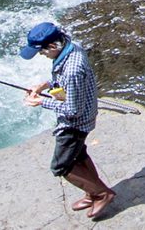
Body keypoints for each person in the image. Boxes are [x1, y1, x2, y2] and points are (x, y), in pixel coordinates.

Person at [20, 22, 115, 219]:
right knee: (78, 156)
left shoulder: (72, 70)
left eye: (41, 52)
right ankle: (92, 191)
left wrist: (40, 102)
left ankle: (102, 194)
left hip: (75, 124)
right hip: (84, 115)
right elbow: (60, 78)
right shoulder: (71, 47)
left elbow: (73, 110)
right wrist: (42, 86)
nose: (42, 55)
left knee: (61, 166)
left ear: (53, 47)